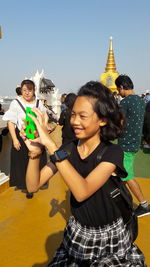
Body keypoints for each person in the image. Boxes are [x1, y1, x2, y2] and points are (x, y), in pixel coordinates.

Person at [21, 81, 145, 266]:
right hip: (78, 232)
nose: (74, 122)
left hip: (109, 236)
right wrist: (35, 152)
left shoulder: (112, 153)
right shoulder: (68, 150)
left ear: (102, 119)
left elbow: (82, 191)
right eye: (73, 115)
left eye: (82, 116)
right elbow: (33, 185)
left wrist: (50, 145)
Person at [3, 79, 47, 198]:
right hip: (22, 137)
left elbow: (43, 117)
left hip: (36, 137)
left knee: (36, 162)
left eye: (29, 90)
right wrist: (15, 139)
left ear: (34, 91)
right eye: (24, 90)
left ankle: (34, 184)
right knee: (23, 163)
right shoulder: (15, 103)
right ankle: (27, 187)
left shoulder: (38, 103)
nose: (27, 93)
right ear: (21, 90)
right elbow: (11, 122)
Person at [115, 74, 150, 217]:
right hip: (135, 142)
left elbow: (119, 122)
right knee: (120, 173)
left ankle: (144, 205)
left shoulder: (125, 102)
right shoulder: (142, 101)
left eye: (118, 89)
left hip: (126, 144)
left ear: (122, 87)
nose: (118, 92)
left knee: (127, 175)